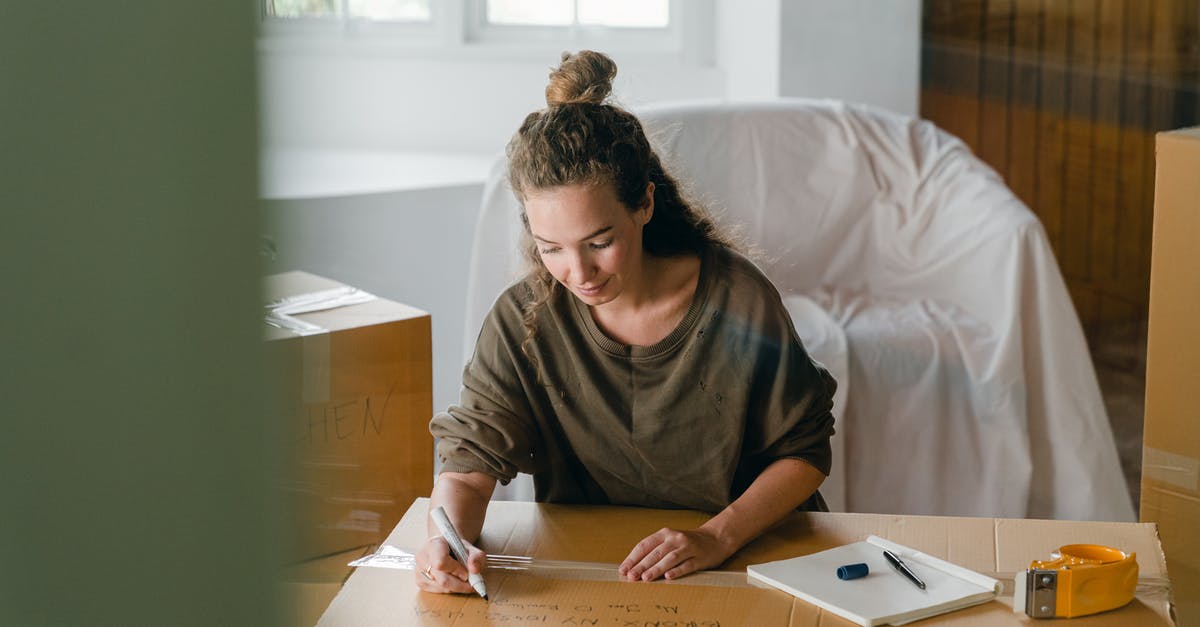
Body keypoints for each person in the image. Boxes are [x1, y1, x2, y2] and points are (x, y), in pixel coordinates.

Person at [416, 50, 836, 594]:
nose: (579, 273)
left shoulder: (737, 301)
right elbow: (468, 464)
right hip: (595, 567)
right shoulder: (523, 318)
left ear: (644, 204)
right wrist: (447, 542)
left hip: (744, 556)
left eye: (600, 242)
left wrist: (716, 538)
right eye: (551, 249)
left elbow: (804, 452)